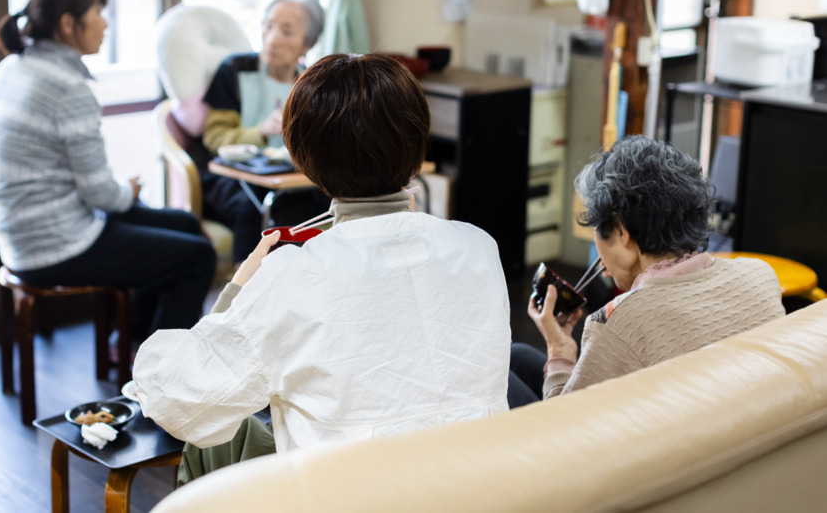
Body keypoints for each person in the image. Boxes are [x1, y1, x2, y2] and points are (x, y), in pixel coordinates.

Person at [132, 53, 512, 483]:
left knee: (218, 436)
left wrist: (236, 290)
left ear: (303, 157)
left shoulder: (293, 275)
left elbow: (177, 402)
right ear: (418, 141)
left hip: (352, 494)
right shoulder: (478, 248)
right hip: (479, 489)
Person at [0, 0, 216, 343]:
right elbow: (101, 196)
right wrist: (129, 191)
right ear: (67, 24)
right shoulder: (68, 88)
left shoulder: (8, 69)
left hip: (15, 232)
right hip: (55, 243)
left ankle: (133, 344)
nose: (105, 23)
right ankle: (160, 366)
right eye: (97, 12)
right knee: (197, 258)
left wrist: (121, 194)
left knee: (184, 225)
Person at [508, 135, 784, 406]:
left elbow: (564, 423)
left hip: (644, 434)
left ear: (621, 231)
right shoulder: (760, 275)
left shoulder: (619, 322)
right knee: (517, 356)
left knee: (504, 377)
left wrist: (560, 350)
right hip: (735, 420)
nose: (603, 269)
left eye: (596, 231)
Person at [195, 0, 328, 264]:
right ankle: (244, 285)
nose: (272, 39)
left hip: (289, 178)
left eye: (286, 32)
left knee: (320, 203)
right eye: (268, 26)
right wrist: (262, 132)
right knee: (254, 209)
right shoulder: (234, 70)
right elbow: (215, 137)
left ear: (307, 45)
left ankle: (305, 280)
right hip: (233, 177)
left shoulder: (311, 83)